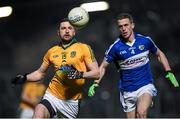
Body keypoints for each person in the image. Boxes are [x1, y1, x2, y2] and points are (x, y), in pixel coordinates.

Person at [88, 13, 179, 118]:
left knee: (141, 112)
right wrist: (95, 83)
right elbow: (103, 66)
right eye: (120, 26)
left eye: (126, 25)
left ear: (132, 25)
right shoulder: (115, 48)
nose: (123, 29)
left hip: (145, 85)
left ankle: (147, 100)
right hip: (127, 90)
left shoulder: (145, 41)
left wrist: (168, 71)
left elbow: (160, 54)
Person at [11, 18, 99, 118]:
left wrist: (80, 74)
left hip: (71, 103)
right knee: (39, 111)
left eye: (70, 28)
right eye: (63, 28)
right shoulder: (51, 52)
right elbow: (40, 73)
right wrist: (24, 77)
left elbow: (96, 73)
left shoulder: (84, 48)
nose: (66, 31)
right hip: (52, 96)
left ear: (74, 32)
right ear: (58, 32)